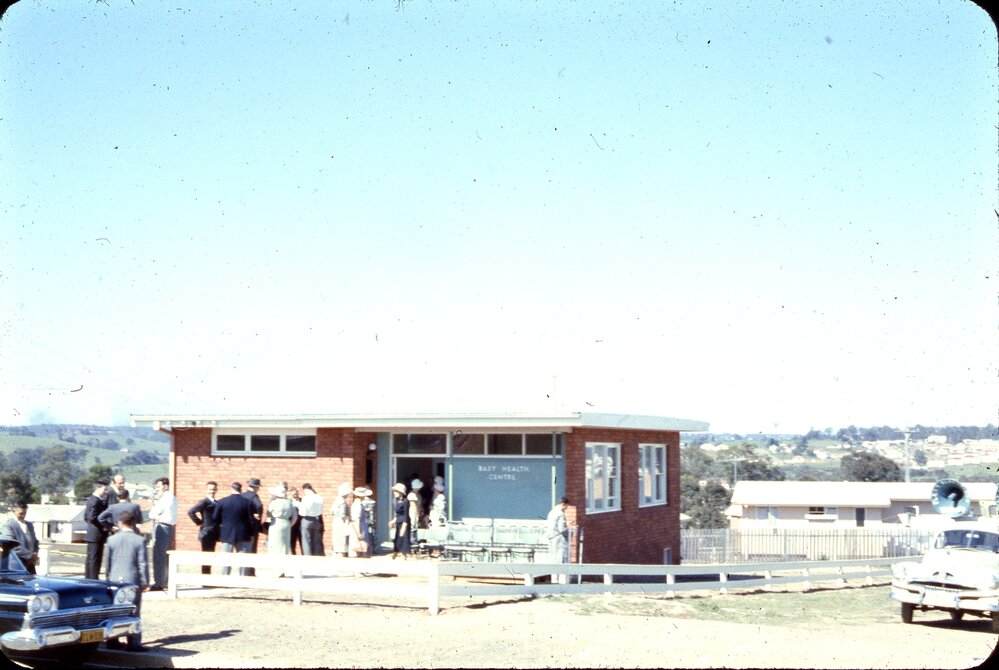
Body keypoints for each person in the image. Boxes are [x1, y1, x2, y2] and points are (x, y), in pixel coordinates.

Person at [102, 510, 148, 652]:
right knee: (133, 611)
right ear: (133, 523)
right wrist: (145, 581)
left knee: (114, 611)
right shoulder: (139, 540)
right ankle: (133, 642)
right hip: (132, 579)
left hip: (115, 579)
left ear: (120, 523)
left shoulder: (112, 539)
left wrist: (108, 578)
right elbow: (143, 563)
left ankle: (112, 640)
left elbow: (107, 562)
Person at [213, 482, 255, 576]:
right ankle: (243, 578)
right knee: (243, 559)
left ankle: (225, 578)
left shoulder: (222, 501)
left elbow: (215, 517)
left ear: (231, 489)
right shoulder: (248, 502)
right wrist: (252, 533)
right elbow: (251, 520)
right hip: (243, 533)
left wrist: (223, 524)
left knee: (226, 558)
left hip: (227, 533)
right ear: (241, 490)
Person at [148, 477, 178, 590]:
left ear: (166, 486)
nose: (157, 489)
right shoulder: (173, 498)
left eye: (159, 487)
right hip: (170, 528)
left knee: (159, 556)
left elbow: (152, 514)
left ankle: (159, 583)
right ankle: (166, 581)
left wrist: (155, 515)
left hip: (162, 527)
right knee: (166, 556)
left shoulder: (164, 498)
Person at [187, 481, 220, 574]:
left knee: (211, 555)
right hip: (206, 532)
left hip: (214, 533)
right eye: (210, 489)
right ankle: (205, 578)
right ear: (207, 490)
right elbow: (191, 512)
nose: (212, 491)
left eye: (213, 489)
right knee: (206, 556)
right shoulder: (204, 502)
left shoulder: (217, 502)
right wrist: (200, 522)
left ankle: (207, 577)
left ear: (216, 490)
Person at [83, 481, 110, 579]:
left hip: (91, 533)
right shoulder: (97, 501)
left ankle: (89, 578)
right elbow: (92, 517)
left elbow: (86, 517)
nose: (106, 491)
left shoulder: (91, 499)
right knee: (95, 559)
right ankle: (93, 578)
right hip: (96, 534)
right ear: (98, 488)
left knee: (91, 558)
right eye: (104, 489)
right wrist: (104, 526)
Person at [2, 503, 39, 574]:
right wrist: (29, 555)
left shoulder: (29, 525)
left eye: (25, 513)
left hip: (30, 564)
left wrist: (35, 554)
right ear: (14, 511)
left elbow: (35, 541)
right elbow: (10, 544)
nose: (23, 515)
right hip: (16, 565)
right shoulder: (8, 525)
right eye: (21, 513)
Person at [266, 485, 297, 564]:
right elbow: (295, 517)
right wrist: (290, 525)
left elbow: (268, 514)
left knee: (274, 545)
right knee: (284, 545)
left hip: (276, 523)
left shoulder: (274, 503)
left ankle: (275, 564)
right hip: (286, 523)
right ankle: (283, 565)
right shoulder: (290, 503)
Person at [242, 477, 264, 576]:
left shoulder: (242, 495)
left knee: (243, 549)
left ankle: (243, 571)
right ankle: (250, 572)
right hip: (252, 526)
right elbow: (259, 506)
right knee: (251, 548)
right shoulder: (254, 496)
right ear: (255, 487)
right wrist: (257, 515)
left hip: (242, 525)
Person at [298, 483, 325, 556]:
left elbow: (302, 512)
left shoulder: (306, 498)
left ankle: (308, 557)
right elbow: (321, 510)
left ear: (305, 490)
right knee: (316, 540)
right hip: (316, 519)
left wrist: (298, 505)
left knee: (306, 541)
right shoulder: (319, 497)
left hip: (307, 519)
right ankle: (316, 556)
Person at [546, 496, 571, 571]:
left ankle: (554, 579)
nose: (567, 508)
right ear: (563, 504)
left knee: (553, 560)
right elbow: (562, 529)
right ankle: (562, 581)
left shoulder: (551, 512)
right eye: (567, 506)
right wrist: (570, 530)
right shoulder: (560, 514)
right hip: (559, 540)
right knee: (561, 560)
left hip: (551, 538)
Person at [331, 483, 355, 557]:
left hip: (336, 522)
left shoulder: (336, 500)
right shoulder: (342, 502)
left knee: (336, 541)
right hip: (341, 523)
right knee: (341, 542)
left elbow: (331, 511)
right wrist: (349, 518)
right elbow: (343, 515)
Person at [390, 483, 410, 559]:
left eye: (396, 491)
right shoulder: (398, 501)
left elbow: (406, 514)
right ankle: (395, 552)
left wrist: (404, 526)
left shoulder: (406, 501)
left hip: (404, 522)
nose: (394, 493)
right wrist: (393, 521)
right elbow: (398, 514)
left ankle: (405, 554)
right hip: (399, 521)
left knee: (403, 537)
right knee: (397, 538)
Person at [351, 487, 372, 557]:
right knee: (359, 549)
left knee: (362, 548)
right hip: (359, 529)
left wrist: (365, 510)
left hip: (362, 529)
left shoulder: (360, 505)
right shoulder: (357, 505)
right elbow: (356, 520)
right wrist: (358, 533)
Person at [407, 478, 425, 547]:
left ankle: (415, 541)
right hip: (412, 513)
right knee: (412, 526)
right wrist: (417, 512)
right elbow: (413, 505)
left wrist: (421, 510)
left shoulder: (419, 495)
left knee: (417, 526)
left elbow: (420, 504)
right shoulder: (411, 495)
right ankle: (412, 542)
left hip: (418, 513)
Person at [288, 487, 302, 555]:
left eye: (296, 494)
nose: (295, 495)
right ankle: (293, 555)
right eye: (294, 494)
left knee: (302, 543)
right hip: (292, 525)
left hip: (301, 524)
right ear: (291, 494)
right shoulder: (289, 502)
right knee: (292, 543)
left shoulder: (302, 500)